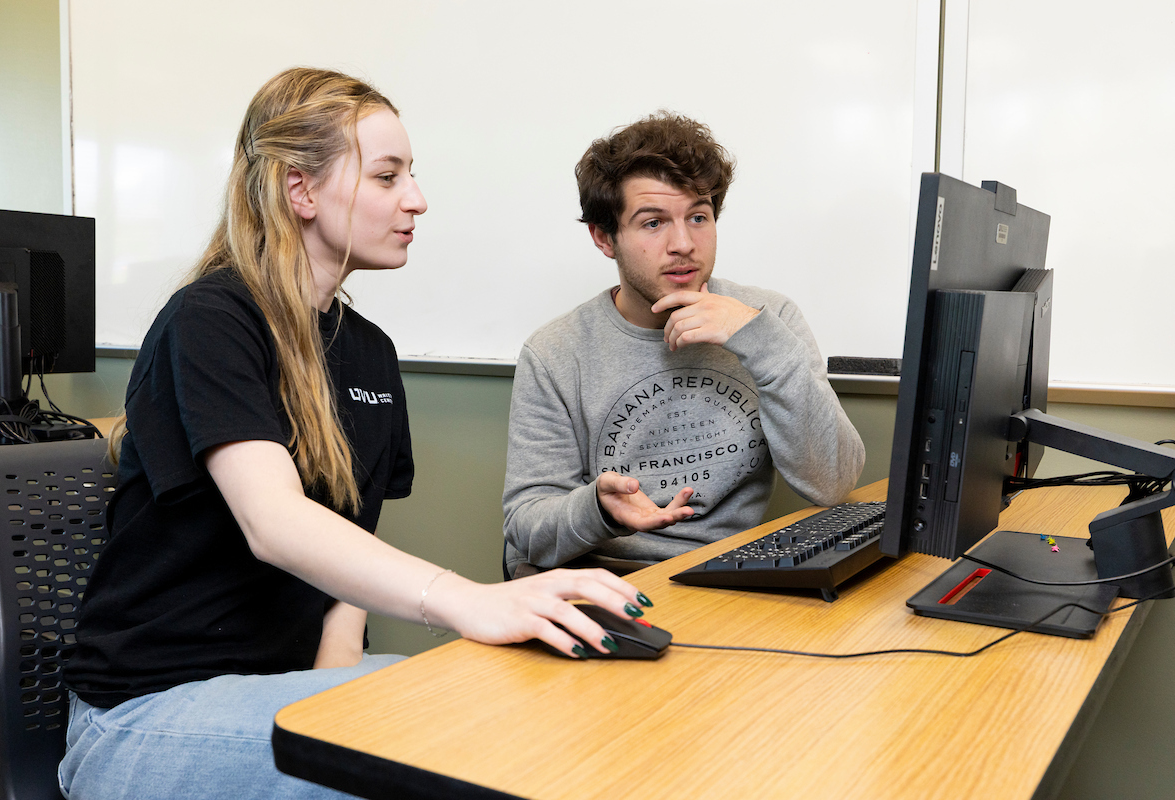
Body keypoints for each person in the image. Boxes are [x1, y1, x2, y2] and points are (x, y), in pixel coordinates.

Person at [59, 68, 650, 800]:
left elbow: (344, 553)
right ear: (300, 191)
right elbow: (274, 523)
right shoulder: (210, 320)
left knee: (512, 709)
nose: (417, 199)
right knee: (435, 757)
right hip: (142, 715)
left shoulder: (366, 348)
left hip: (277, 689)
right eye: (386, 176)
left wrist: (340, 698)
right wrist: (467, 600)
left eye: (412, 174)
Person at [503, 112, 865, 578]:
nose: (683, 244)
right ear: (603, 237)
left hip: (728, 577)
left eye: (698, 217)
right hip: (606, 582)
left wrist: (762, 342)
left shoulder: (771, 320)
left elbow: (833, 484)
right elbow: (526, 527)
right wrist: (599, 509)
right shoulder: (555, 352)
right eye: (653, 223)